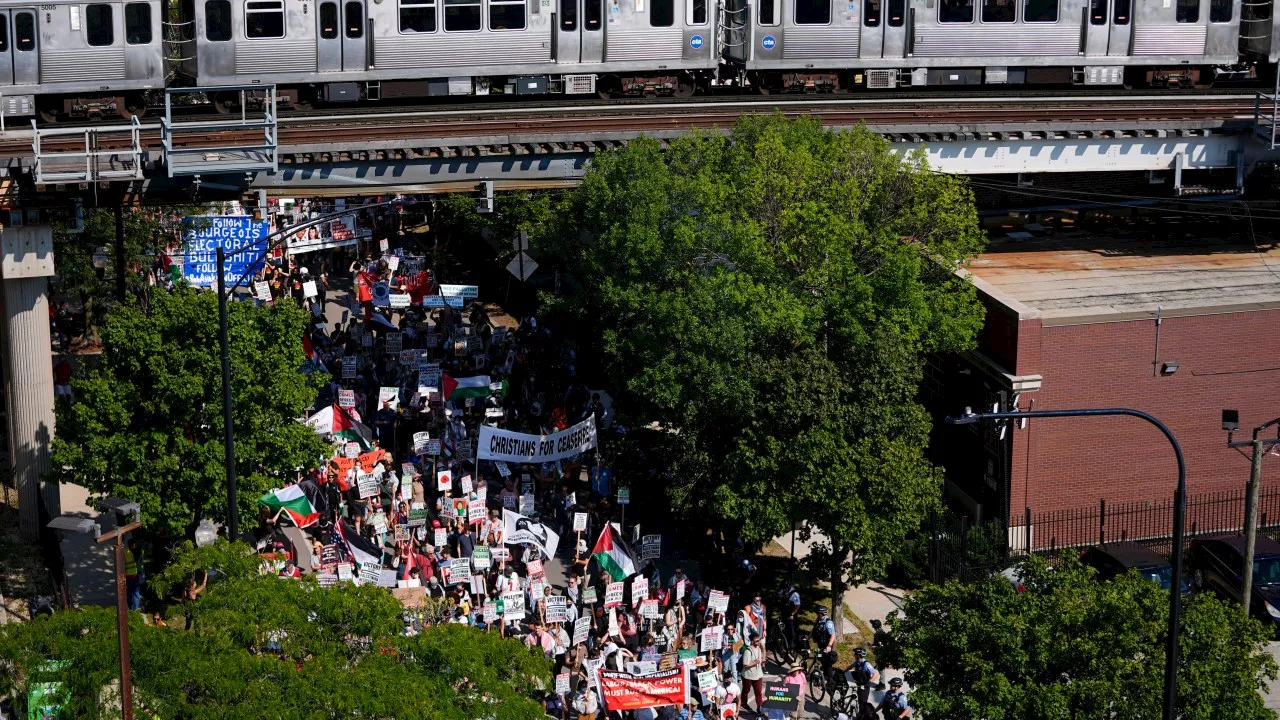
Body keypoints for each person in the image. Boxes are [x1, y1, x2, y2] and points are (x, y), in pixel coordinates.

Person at [849, 648, 881, 719]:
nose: (854, 655)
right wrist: (844, 671)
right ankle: (860, 716)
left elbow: (875, 673)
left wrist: (869, 681)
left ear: (859, 655)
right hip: (859, 684)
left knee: (863, 702)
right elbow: (851, 666)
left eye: (855, 654)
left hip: (865, 686)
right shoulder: (857, 662)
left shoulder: (866, 664)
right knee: (860, 702)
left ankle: (863, 717)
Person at [810, 605, 837, 684]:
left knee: (827, 663)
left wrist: (829, 646)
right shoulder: (818, 620)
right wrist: (807, 638)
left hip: (826, 645)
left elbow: (833, 635)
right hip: (820, 644)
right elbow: (814, 629)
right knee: (821, 660)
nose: (816, 614)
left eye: (818, 613)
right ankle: (823, 676)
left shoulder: (828, 622)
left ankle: (830, 680)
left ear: (821, 613)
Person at [740, 631, 765, 713]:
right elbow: (745, 665)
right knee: (746, 690)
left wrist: (762, 660)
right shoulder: (748, 651)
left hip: (758, 675)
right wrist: (755, 662)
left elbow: (761, 656)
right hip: (748, 675)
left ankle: (759, 707)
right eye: (756, 641)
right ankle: (743, 702)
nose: (758, 642)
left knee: (758, 692)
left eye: (759, 640)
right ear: (752, 641)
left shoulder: (759, 648)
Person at [778, 582, 801, 653]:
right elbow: (778, 595)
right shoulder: (783, 591)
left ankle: (792, 647)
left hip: (791, 614)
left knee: (792, 631)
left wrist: (792, 614)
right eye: (783, 588)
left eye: (785, 588)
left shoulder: (795, 594)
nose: (784, 590)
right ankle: (784, 645)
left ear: (788, 587)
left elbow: (797, 605)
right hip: (784, 613)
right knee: (784, 629)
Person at [124, 538, 143, 611]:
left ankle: (131, 608)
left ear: (128, 545)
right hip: (135, 575)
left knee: (130, 593)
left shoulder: (126, 552)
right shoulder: (139, 551)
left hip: (128, 576)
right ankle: (134, 609)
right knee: (135, 593)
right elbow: (140, 563)